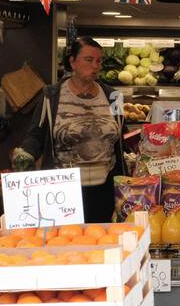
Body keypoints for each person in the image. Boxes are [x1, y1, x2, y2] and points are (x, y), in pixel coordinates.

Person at [11, 37, 125, 223]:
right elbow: (36, 135)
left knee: (103, 241)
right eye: (89, 60)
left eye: (98, 61)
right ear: (72, 61)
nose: (95, 66)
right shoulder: (51, 96)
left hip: (106, 189)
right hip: (63, 191)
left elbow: (121, 138)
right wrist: (25, 154)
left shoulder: (114, 97)